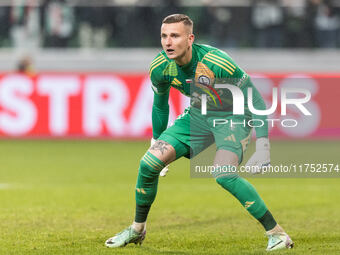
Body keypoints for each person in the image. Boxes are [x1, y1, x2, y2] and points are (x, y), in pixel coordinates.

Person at [105, 14, 294, 251]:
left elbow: (254, 98)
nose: (168, 42)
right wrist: (156, 141)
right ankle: (137, 229)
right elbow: (160, 104)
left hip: (233, 116)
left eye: (175, 36)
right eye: (164, 36)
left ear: (190, 38)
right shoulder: (160, 66)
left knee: (223, 174)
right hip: (199, 114)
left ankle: (277, 234)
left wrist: (264, 144)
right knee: (148, 163)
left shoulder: (216, 62)